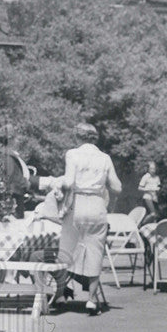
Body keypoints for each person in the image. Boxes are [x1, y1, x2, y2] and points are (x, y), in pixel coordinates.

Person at [56, 122, 123, 315]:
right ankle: (91, 300)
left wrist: (58, 185)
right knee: (95, 250)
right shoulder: (105, 158)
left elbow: (69, 181)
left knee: (66, 248)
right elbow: (117, 187)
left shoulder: (73, 154)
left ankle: (60, 294)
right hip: (96, 206)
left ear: (78, 137)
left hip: (77, 204)